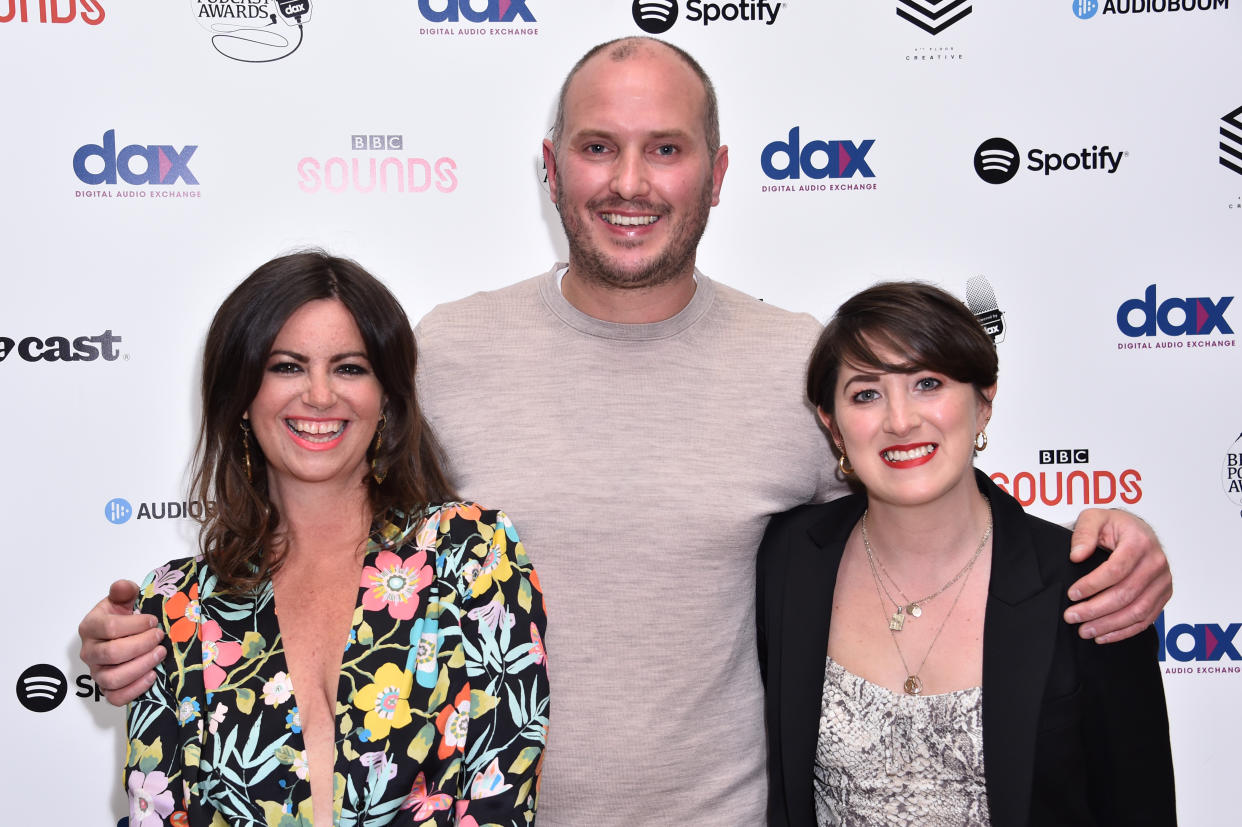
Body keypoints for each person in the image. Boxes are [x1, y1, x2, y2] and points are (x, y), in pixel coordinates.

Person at [84, 39, 1170, 827]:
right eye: (599, 148)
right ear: (551, 168)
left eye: (666, 149)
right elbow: (323, 543)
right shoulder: (444, 354)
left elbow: (919, 514)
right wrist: (157, 635)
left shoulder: (797, 365)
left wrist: (1094, 544)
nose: (632, 183)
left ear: (719, 170)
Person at [122, 252, 548, 826]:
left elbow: (501, 795)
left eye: (349, 367)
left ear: (387, 397)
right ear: (242, 395)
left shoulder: (472, 555)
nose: (319, 396)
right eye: (287, 367)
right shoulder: (174, 606)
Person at [757, 281, 1175, 826]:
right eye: (866, 393)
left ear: (983, 403)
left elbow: (1138, 806)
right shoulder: (787, 560)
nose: (900, 420)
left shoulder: (1090, 584)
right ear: (832, 426)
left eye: (928, 383)